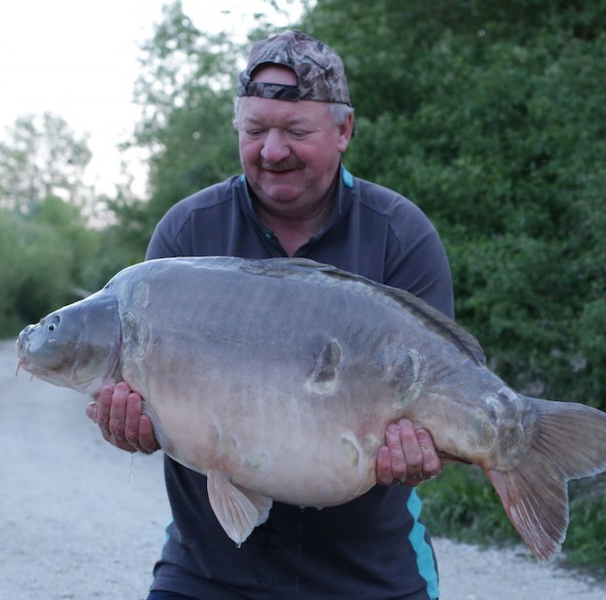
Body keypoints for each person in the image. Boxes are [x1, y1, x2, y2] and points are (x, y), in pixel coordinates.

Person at [86, 30, 454, 600]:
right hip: (211, 566)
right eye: (254, 130)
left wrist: (425, 447)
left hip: (371, 571)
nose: (272, 150)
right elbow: (151, 400)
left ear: (344, 131)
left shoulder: (399, 235)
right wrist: (135, 426)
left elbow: (443, 391)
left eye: (295, 131)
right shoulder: (187, 235)